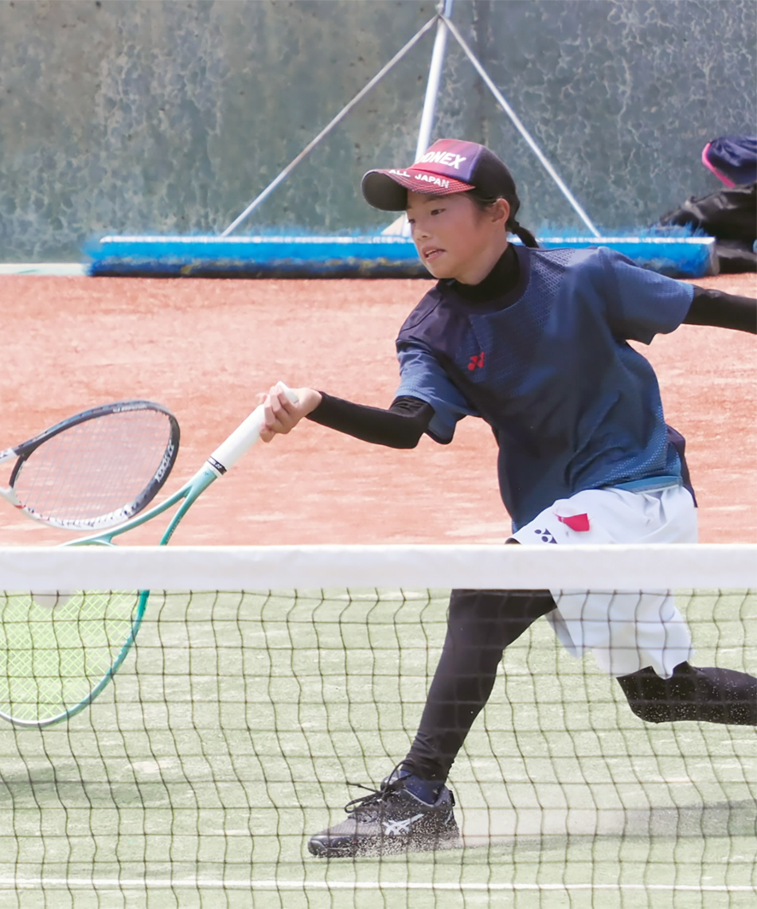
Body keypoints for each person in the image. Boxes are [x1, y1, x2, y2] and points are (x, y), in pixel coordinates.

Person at [257, 138, 757, 857]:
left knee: (485, 592)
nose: (420, 227)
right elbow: (409, 429)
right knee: (665, 696)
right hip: (573, 521)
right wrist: (316, 403)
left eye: (438, 209)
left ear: (497, 213)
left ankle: (420, 792)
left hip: (640, 493)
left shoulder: (586, 278)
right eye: (411, 215)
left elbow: (699, 303)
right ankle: (422, 793)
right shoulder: (433, 329)